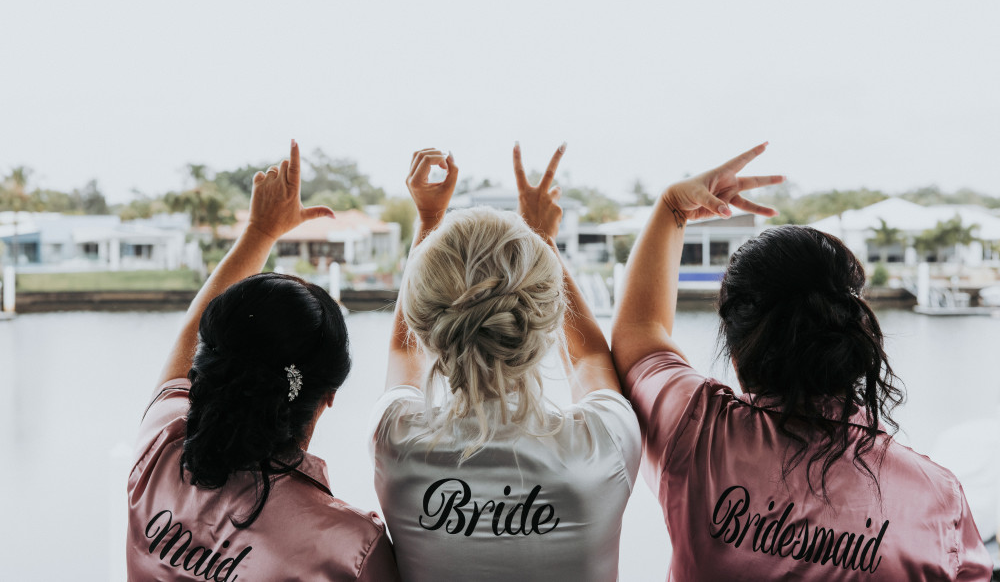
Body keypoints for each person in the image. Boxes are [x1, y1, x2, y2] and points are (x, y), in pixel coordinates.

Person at [611, 143, 993, 580]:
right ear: (853, 341)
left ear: (736, 350)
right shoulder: (938, 499)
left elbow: (638, 332)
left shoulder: (697, 432)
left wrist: (672, 208)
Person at [127, 141, 400, 581]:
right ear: (328, 395)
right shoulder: (350, 546)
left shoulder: (160, 450)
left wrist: (260, 231)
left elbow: (187, 343)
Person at [369, 146, 641, 582]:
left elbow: (404, 353)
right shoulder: (600, 443)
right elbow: (590, 357)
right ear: (546, 318)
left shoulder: (395, 439)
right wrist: (543, 237)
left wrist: (428, 218)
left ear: (427, 327)